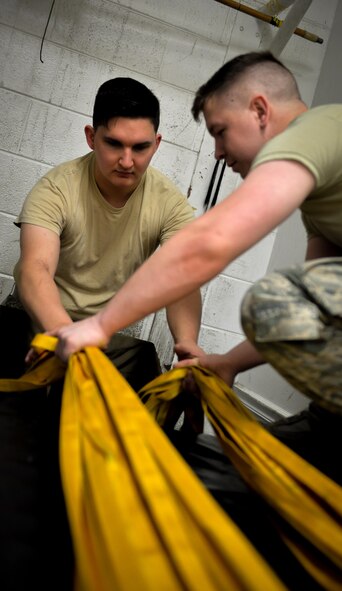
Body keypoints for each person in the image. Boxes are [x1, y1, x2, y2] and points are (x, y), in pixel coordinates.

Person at [48, 51, 342, 480]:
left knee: (270, 300)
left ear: (261, 110)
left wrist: (99, 325)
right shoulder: (321, 204)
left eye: (221, 133)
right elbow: (319, 310)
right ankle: (330, 425)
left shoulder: (317, 129)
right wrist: (228, 365)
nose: (219, 153)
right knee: (295, 299)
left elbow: (208, 244)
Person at [2, 76, 203, 390]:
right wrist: (63, 333)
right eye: (114, 144)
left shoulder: (170, 203)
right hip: (37, 321)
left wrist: (188, 345)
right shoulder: (56, 188)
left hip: (101, 336)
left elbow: (184, 277)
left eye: (140, 147)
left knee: (143, 393)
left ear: (157, 143)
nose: (126, 161)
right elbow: (35, 268)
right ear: (91, 137)